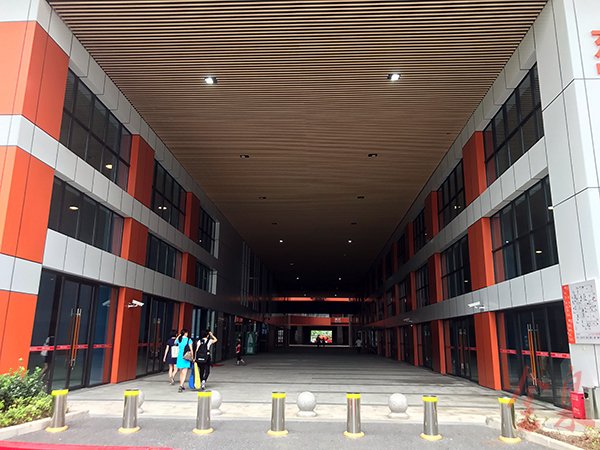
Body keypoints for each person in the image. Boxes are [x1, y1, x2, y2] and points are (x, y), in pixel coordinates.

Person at [175, 329, 194, 393]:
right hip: (186, 357)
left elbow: (175, 342)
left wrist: (178, 336)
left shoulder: (179, 339)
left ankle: (182, 384)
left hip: (180, 357)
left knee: (181, 372)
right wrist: (193, 357)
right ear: (185, 333)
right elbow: (191, 349)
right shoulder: (189, 340)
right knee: (184, 372)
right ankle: (181, 385)